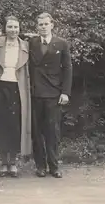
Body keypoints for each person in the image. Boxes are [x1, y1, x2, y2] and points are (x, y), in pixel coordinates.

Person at [28, 13, 72, 178]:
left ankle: (54, 166)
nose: (43, 27)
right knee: (37, 131)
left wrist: (65, 92)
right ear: (37, 26)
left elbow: (68, 69)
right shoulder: (31, 42)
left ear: (52, 25)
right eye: (40, 24)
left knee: (53, 131)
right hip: (35, 93)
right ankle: (40, 166)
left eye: (46, 24)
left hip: (54, 93)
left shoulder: (61, 43)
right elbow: (14, 37)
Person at [0, 16, 32, 178]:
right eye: (10, 27)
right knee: (1, 125)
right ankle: (3, 163)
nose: (13, 30)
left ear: (20, 28)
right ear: (4, 28)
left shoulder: (26, 44)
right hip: (0, 87)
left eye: (16, 27)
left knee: (14, 125)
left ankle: (13, 163)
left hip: (17, 88)